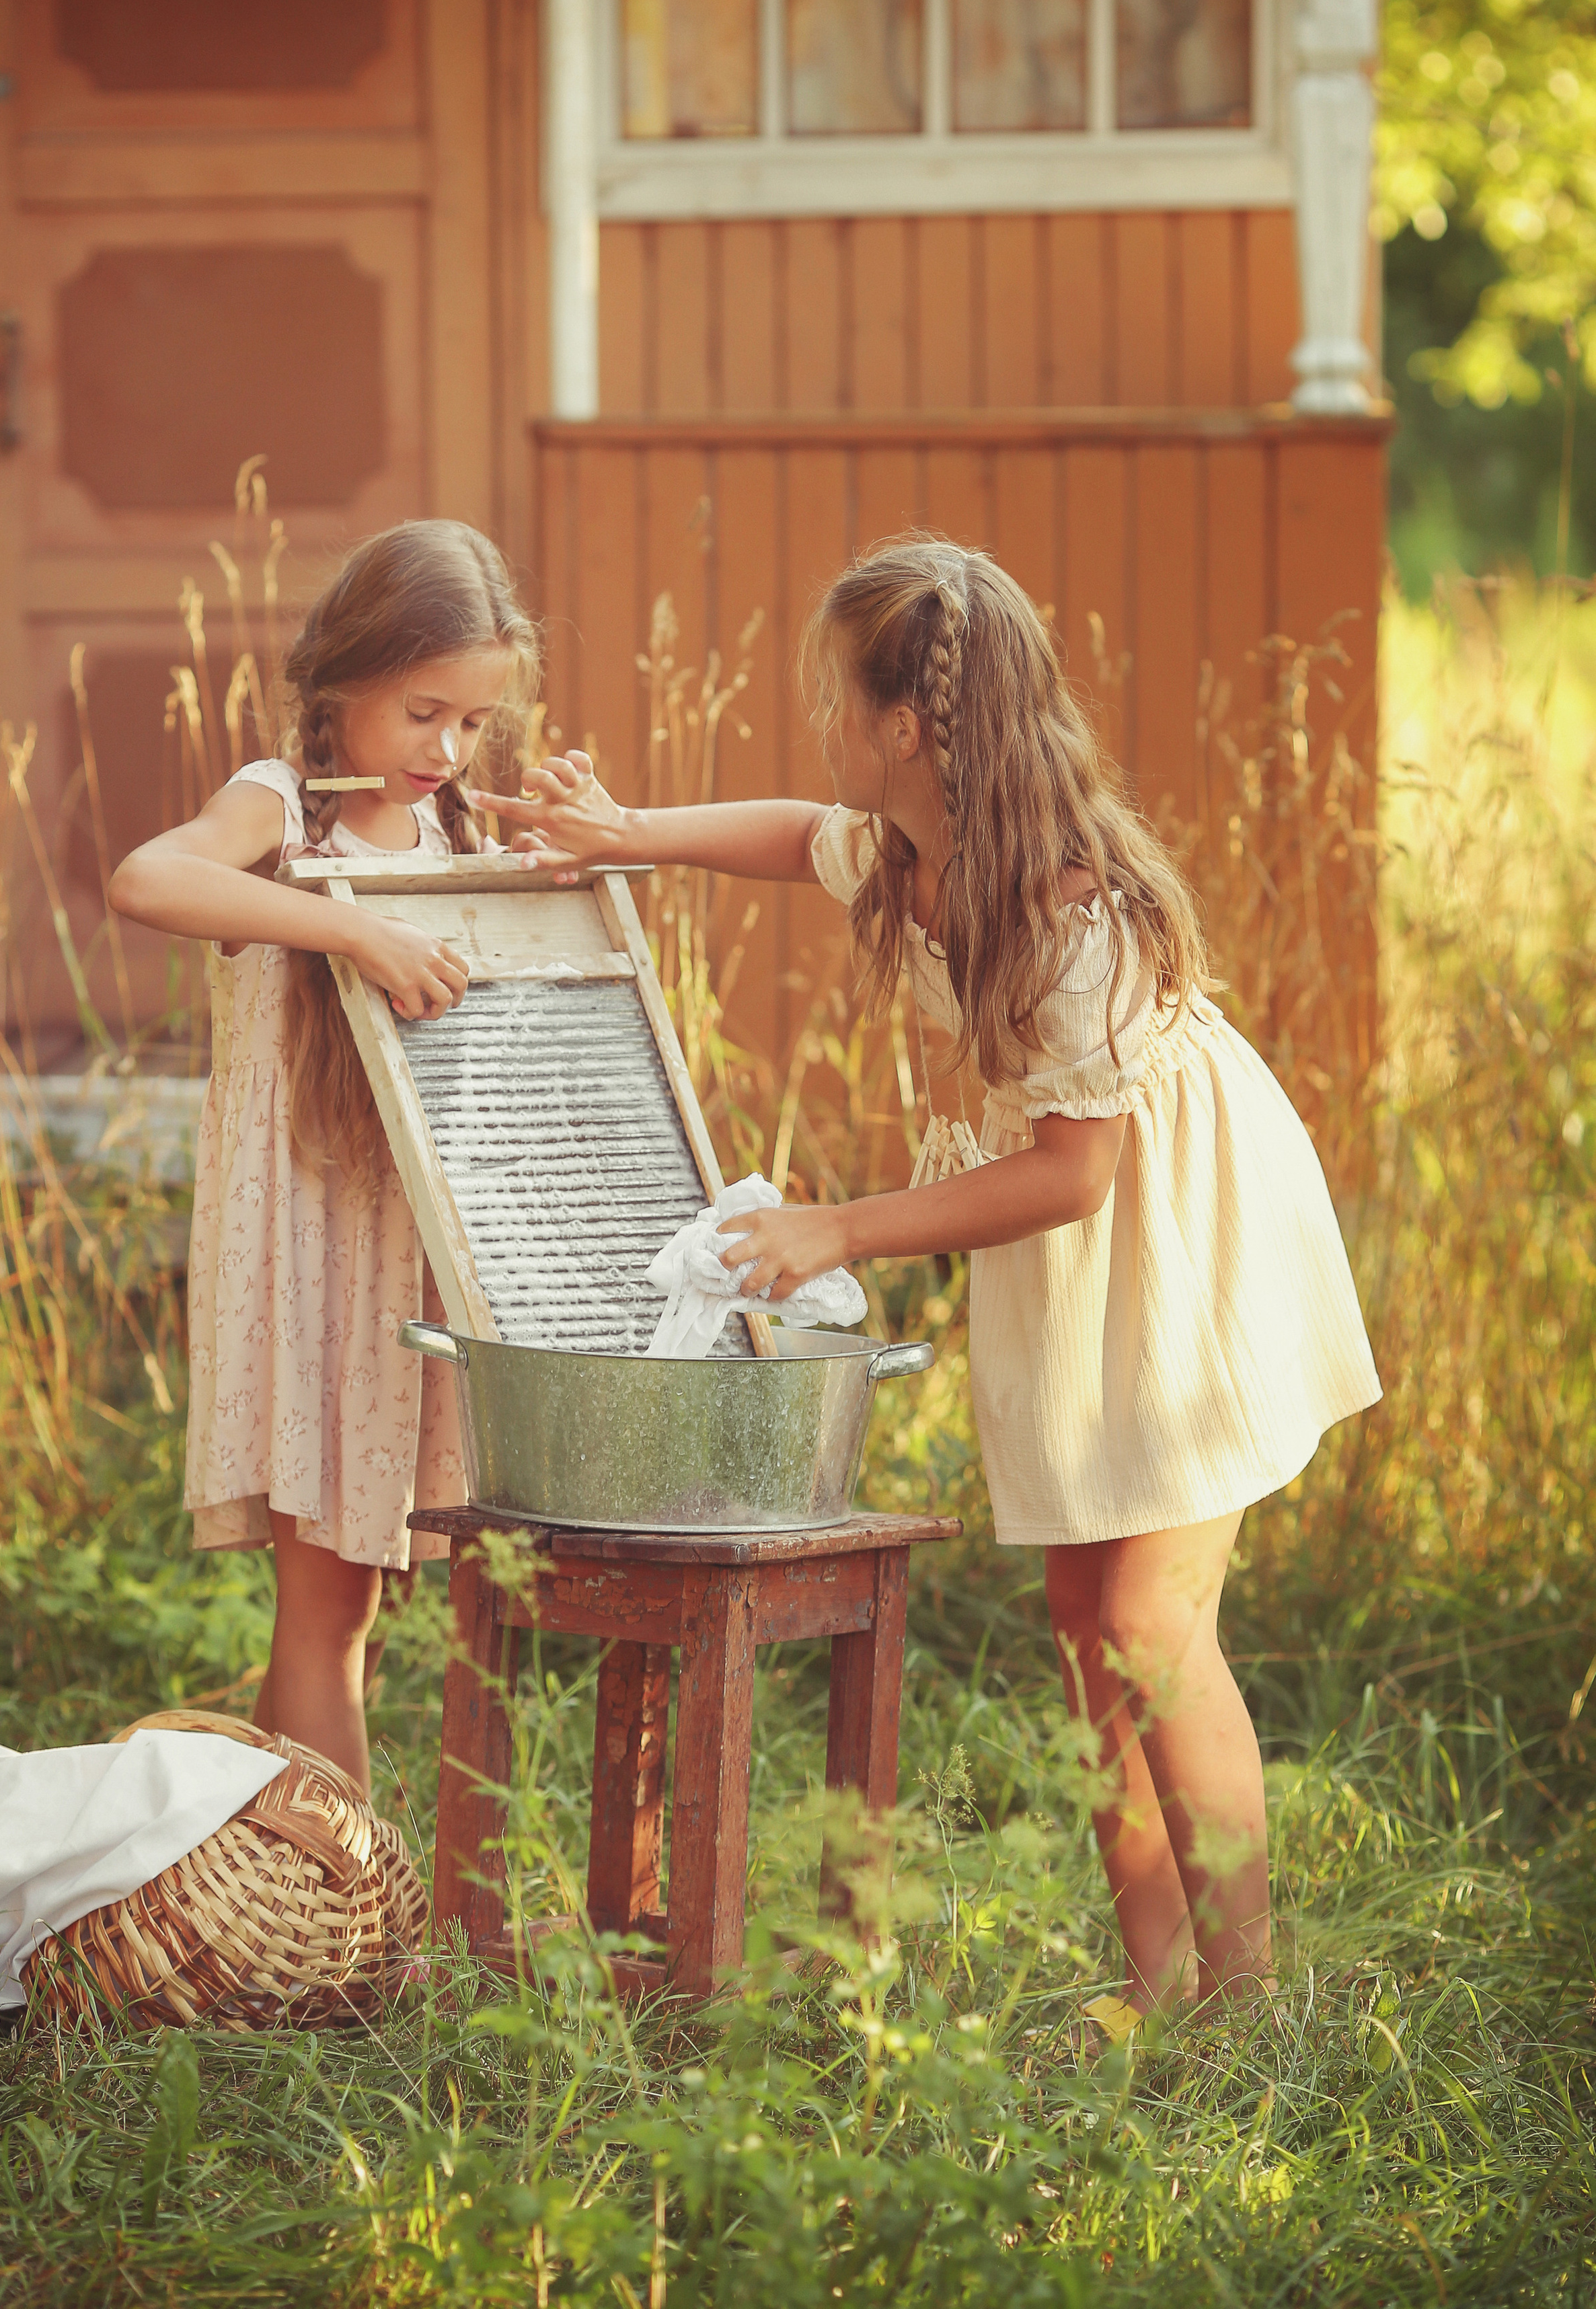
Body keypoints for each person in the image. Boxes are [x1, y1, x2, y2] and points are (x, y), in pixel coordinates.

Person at [470, 535, 1380, 2009]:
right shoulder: (913, 847)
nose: (819, 729)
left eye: (833, 700)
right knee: (1088, 1630)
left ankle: (1251, 1997)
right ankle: (1157, 1985)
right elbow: (784, 834)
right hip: (1079, 1254)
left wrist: (839, 1226)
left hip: (1179, 1245)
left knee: (1153, 1626)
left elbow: (1074, 1171)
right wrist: (623, 830)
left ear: (903, 727)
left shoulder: (1066, 905)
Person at [110, 521, 538, 1790]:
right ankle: (342, 1919)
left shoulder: (455, 825)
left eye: (471, 724)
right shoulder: (280, 802)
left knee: (370, 1604)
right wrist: (351, 933)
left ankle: (293, 1883)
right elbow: (148, 879)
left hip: (411, 1251)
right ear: (345, 676)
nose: (446, 750)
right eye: (423, 712)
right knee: (330, 1611)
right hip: (304, 1250)